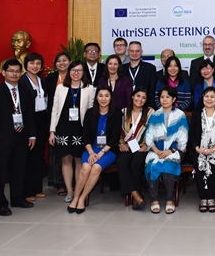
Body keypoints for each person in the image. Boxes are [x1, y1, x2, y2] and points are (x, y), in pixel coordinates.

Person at [0, 59, 36, 216]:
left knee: (19, 169)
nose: (14, 74)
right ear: (3, 72)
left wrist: (32, 135)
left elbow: (30, 115)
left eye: (17, 71)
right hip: (2, 138)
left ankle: (17, 198)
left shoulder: (25, 91)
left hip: (21, 136)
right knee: (0, 172)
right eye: (11, 71)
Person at [67, 86, 121, 214]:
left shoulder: (117, 113)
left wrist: (101, 153)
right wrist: (91, 152)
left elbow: (114, 138)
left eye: (106, 96)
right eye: (100, 95)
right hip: (91, 148)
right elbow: (85, 136)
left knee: (96, 168)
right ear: (96, 97)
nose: (103, 99)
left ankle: (82, 198)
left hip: (108, 150)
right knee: (85, 167)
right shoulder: (90, 113)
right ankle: (75, 198)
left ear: (111, 98)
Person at [49, 60, 94, 204]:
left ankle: (78, 191)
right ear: (69, 72)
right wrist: (52, 131)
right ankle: (69, 190)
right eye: (73, 70)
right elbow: (55, 110)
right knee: (66, 159)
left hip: (80, 129)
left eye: (79, 70)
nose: (76, 73)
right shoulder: (61, 87)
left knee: (79, 159)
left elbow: (92, 112)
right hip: (63, 128)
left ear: (83, 72)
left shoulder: (89, 88)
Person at [145, 86, 189, 214]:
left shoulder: (180, 115)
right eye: (162, 97)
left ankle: (170, 200)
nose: (164, 100)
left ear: (174, 99)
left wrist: (170, 151)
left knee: (168, 166)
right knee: (152, 165)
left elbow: (183, 136)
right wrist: (156, 150)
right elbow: (148, 135)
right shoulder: (154, 115)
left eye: (168, 97)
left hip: (175, 150)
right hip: (156, 150)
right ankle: (154, 199)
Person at [189, 87, 215, 213]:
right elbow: (192, 135)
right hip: (198, 149)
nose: (209, 99)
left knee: (213, 163)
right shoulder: (197, 113)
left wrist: (213, 149)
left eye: (212, 96)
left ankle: (211, 197)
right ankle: (203, 197)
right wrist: (198, 149)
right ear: (202, 98)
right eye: (206, 96)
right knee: (199, 163)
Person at [117, 86, 154, 210]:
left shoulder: (150, 112)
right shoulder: (123, 112)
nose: (140, 99)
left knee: (135, 164)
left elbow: (154, 131)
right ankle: (136, 195)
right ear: (132, 96)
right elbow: (117, 131)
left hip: (143, 146)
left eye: (143, 98)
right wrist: (121, 144)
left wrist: (148, 146)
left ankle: (136, 195)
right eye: (138, 96)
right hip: (127, 145)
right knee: (121, 162)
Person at [19, 52, 49, 202]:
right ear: (26, 65)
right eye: (32, 63)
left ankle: (37, 188)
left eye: (38, 63)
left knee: (38, 156)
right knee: (28, 157)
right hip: (28, 121)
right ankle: (26, 191)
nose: (35, 66)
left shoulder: (41, 80)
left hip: (41, 120)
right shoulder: (22, 81)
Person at [45, 52, 70, 197]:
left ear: (70, 62)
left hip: (72, 120)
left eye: (64, 60)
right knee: (56, 152)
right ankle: (59, 183)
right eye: (59, 61)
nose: (62, 63)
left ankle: (71, 182)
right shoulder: (50, 78)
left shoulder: (75, 76)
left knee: (71, 153)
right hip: (54, 118)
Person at [121, 41, 157, 105]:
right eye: (132, 51)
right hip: (125, 106)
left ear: (141, 52)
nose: (134, 53)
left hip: (144, 106)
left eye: (137, 51)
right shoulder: (121, 69)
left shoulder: (150, 68)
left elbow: (152, 91)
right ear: (128, 52)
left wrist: (150, 108)